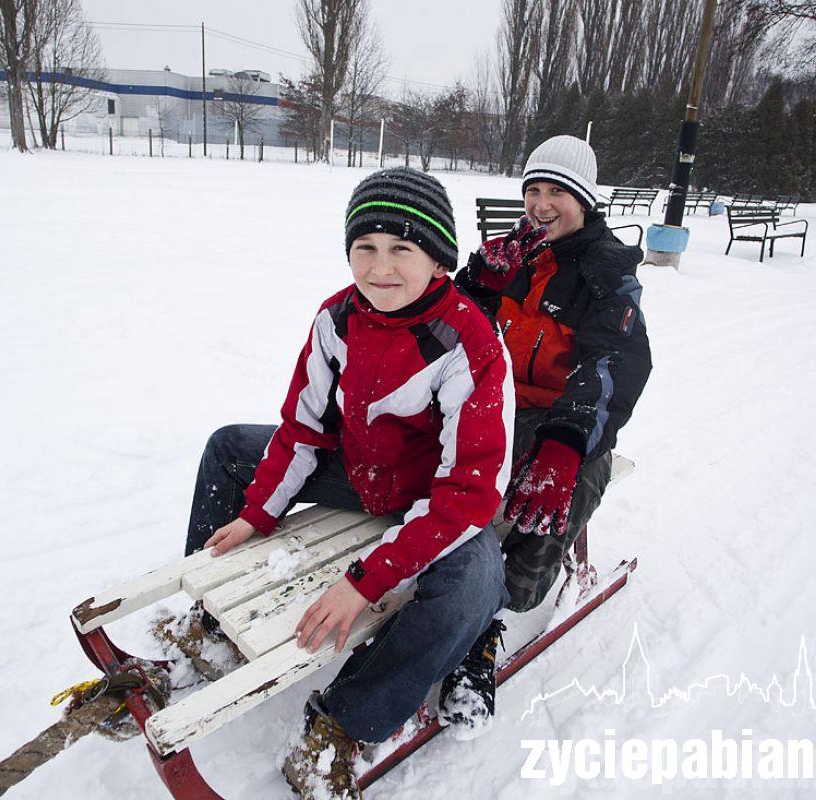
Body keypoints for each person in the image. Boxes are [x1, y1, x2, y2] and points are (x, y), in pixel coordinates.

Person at [164, 167, 515, 799]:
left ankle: (343, 724)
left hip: (430, 500)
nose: (380, 268)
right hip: (359, 473)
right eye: (366, 248)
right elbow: (302, 426)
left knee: (478, 583)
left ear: (438, 260)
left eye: (401, 249)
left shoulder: (471, 343)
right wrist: (257, 514)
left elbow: (468, 493)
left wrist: (365, 581)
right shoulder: (337, 317)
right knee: (229, 447)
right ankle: (210, 612)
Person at [445, 134, 653, 723]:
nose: (540, 202)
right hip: (498, 402)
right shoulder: (520, 253)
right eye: (532, 189)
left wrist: (566, 444)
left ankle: (488, 622)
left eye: (556, 191)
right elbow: (449, 330)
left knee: (563, 484)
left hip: (568, 418)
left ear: (583, 200)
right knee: (446, 475)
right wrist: (477, 284)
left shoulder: (605, 270)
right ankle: (422, 574)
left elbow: (615, 361)